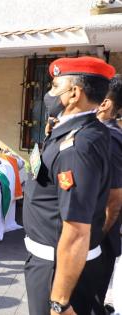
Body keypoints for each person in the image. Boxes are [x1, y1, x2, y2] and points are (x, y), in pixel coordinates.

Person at [23, 56, 115, 315]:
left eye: (54, 87)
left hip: (56, 267)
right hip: (57, 260)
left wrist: (59, 302)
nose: (49, 94)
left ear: (74, 93)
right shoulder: (82, 131)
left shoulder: (76, 146)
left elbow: (75, 230)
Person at [96, 74, 122, 307]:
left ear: (105, 103)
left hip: (101, 238)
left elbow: (114, 200)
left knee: (92, 299)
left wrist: (98, 233)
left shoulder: (109, 138)